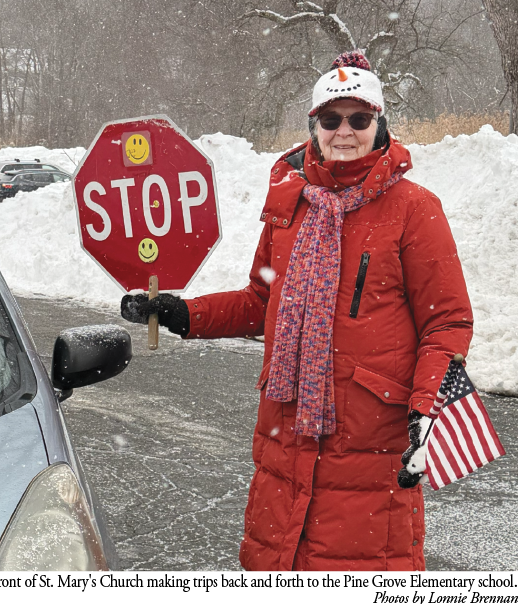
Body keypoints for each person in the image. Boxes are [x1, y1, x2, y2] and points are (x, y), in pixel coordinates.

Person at [121, 51, 473, 571]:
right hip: (285, 442)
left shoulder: (413, 208)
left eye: (360, 118)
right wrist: (183, 313)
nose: (345, 131)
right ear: (315, 126)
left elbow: (446, 321)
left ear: (380, 125)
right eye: (331, 119)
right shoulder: (291, 208)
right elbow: (261, 300)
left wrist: (427, 406)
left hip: (369, 449)